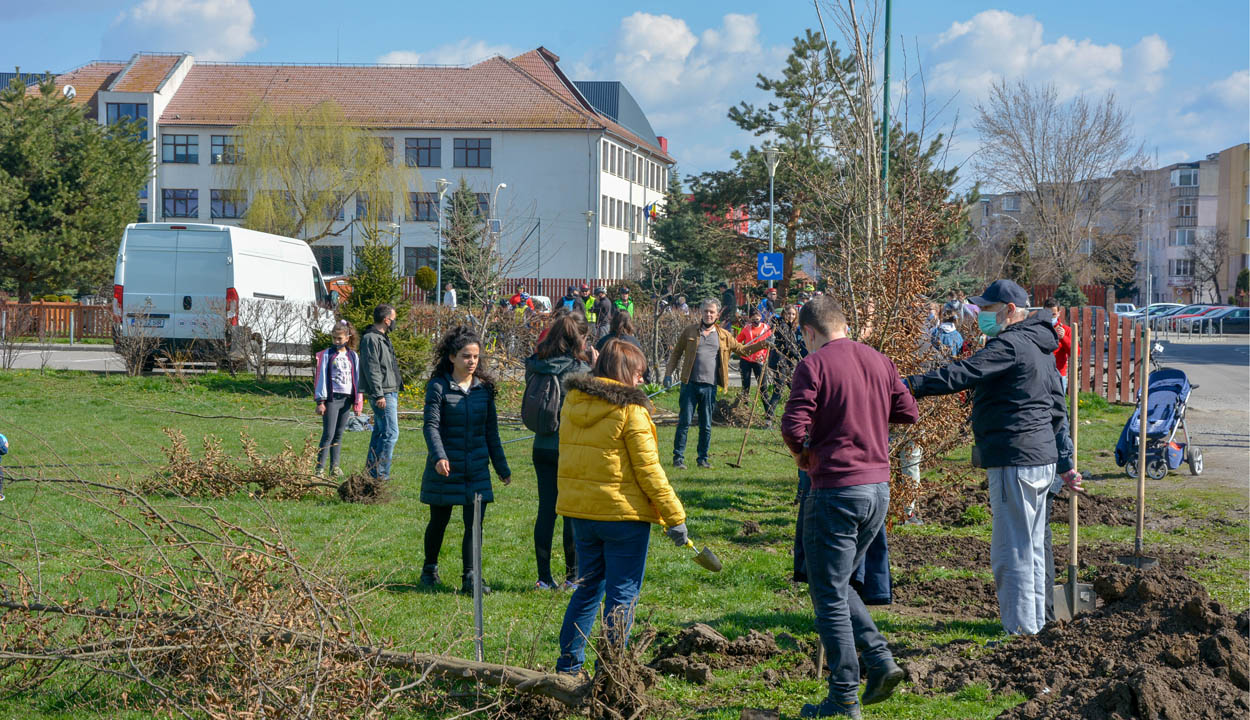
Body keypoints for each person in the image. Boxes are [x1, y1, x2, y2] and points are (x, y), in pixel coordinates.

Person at [904, 279, 1080, 636]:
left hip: (1015, 458)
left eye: (986, 308)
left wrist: (908, 385)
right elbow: (1057, 409)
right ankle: (1034, 628)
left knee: (1010, 551)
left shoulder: (1012, 344)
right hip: (1040, 459)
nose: (980, 314)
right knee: (1030, 549)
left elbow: (962, 373)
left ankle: (1019, 632)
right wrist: (1065, 463)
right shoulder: (1041, 345)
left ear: (1010, 310)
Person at [780, 295, 917, 718]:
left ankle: (845, 694)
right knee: (838, 587)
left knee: (828, 594)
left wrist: (803, 454)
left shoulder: (814, 364)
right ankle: (878, 662)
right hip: (878, 488)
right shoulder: (880, 360)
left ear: (808, 332)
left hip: (836, 489)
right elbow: (907, 412)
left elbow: (793, 425)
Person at [554, 340, 688, 674]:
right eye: (640, 374)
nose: (643, 381)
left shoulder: (573, 400)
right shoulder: (631, 410)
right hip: (623, 517)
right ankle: (612, 671)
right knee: (622, 593)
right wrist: (675, 517)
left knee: (587, 589)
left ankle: (568, 666)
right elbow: (649, 469)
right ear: (624, 372)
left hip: (582, 514)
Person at [420, 326, 511, 593]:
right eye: (465, 356)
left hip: (477, 469)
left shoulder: (484, 390)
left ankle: (471, 577)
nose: (471, 362)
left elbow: (491, 432)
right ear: (452, 357)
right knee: (439, 522)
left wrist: (501, 467)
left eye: (475, 357)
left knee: (474, 525)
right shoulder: (438, 387)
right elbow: (431, 426)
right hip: (446, 468)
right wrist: (439, 456)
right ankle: (429, 569)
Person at [525, 315, 593, 590]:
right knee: (571, 512)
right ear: (580, 339)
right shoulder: (579, 370)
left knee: (546, 510)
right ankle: (572, 576)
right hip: (570, 448)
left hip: (541, 445)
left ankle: (543, 577)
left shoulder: (538, 365)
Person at [666, 299, 771, 469]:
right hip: (689, 385)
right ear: (702, 312)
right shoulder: (690, 331)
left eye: (712, 312)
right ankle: (678, 458)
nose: (708, 314)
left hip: (710, 386)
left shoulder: (723, 335)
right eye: (706, 311)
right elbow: (676, 353)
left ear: (717, 314)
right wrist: (668, 374)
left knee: (706, 425)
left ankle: (702, 459)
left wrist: (764, 344)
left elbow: (742, 350)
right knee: (684, 422)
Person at [313, 320, 364, 477]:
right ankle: (319, 468)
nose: (336, 341)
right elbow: (321, 377)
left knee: (339, 434)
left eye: (339, 338)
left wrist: (358, 403)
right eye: (334, 338)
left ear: (347, 338)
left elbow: (357, 379)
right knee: (328, 434)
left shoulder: (353, 356)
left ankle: (334, 467)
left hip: (346, 400)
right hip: (332, 399)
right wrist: (321, 401)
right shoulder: (327, 355)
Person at [360, 304, 402, 480]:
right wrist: (379, 394)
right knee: (391, 433)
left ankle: (371, 473)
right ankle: (380, 476)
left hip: (388, 392)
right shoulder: (371, 339)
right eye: (393, 319)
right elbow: (372, 369)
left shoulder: (382, 338)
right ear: (386, 320)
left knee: (380, 432)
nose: (394, 322)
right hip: (383, 394)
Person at [764, 304, 807, 425]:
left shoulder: (788, 326)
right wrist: (799, 357)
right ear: (784, 314)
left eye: (793, 314)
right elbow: (788, 345)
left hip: (785, 363)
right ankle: (768, 420)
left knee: (794, 389)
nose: (791, 316)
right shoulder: (782, 326)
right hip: (780, 362)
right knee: (778, 391)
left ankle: (799, 417)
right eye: (789, 313)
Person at [736, 308, 771, 394]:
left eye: (757, 319)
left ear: (760, 317)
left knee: (763, 387)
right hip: (746, 360)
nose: (755, 322)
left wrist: (766, 356)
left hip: (759, 361)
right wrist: (741, 350)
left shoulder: (766, 329)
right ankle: (745, 406)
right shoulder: (747, 328)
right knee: (745, 387)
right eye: (753, 320)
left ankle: (768, 407)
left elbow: (770, 345)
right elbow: (737, 341)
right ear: (750, 319)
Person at [1043, 298, 1072, 393]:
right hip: (1041, 374)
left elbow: (1075, 352)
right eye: (1047, 314)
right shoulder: (1038, 329)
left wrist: (1063, 338)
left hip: (1059, 374)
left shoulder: (1066, 330)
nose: (1050, 317)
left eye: (1053, 314)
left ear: (1059, 313)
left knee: (1058, 405)